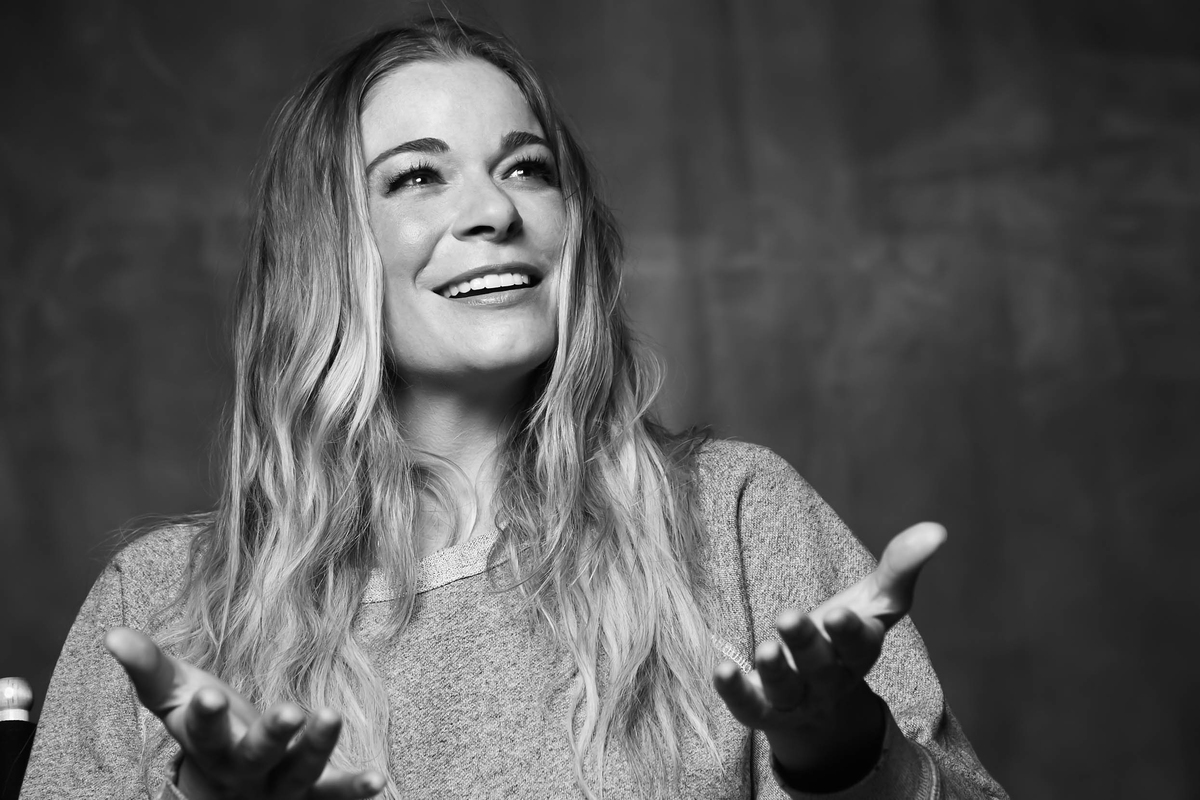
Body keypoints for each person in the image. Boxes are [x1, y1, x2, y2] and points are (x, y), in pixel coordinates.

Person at [22, 15, 1007, 800]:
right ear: (322, 251)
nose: (496, 210)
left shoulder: (740, 517)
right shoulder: (156, 605)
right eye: (417, 176)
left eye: (526, 166)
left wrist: (846, 753)